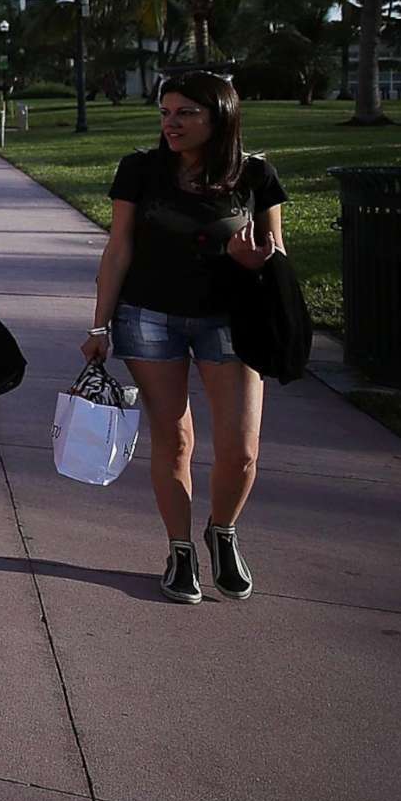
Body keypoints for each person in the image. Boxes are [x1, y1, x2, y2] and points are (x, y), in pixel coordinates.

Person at [81, 71, 285, 604]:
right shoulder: (141, 170)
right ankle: (179, 550)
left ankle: (222, 531)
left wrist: (252, 263)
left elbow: (276, 254)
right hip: (149, 318)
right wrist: (100, 325)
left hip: (231, 321)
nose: (171, 123)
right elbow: (118, 249)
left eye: (185, 113)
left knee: (240, 450)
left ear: (218, 117)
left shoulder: (256, 175)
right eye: (165, 113)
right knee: (175, 440)